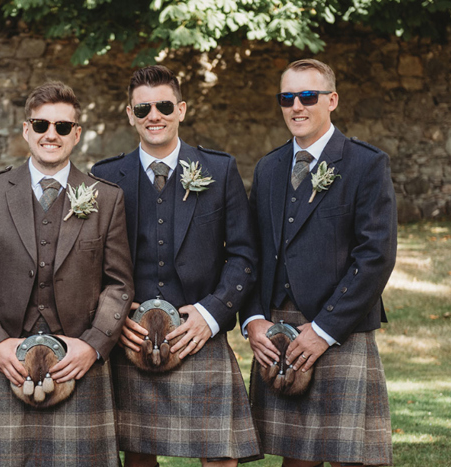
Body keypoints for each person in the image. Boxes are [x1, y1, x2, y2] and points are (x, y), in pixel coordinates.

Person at [92, 65, 262, 467]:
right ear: (130, 114)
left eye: (165, 105)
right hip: (131, 336)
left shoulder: (218, 170)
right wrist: (115, 318)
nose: (155, 114)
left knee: (220, 454)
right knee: (137, 454)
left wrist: (211, 314)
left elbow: (244, 256)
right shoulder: (105, 177)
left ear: (181, 109)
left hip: (198, 332)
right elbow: (92, 262)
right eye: (144, 107)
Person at [0, 81, 134, 466]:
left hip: (79, 362)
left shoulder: (106, 198)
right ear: (27, 130)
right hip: (7, 363)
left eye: (61, 127)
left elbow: (119, 284)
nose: (50, 135)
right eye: (41, 125)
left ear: (76, 134)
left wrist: (91, 345)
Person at [243, 58, 396, 467]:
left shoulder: (366, 164)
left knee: (351, 459)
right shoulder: (269, 167)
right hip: (278, 328)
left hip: (340, 328)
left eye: (308, 96)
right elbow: (250, 252)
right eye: (287, 97)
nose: (297, 106)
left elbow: (376, 256)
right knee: (295, 458)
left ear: (332, 100)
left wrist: (325, 330)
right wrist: (254, 316)